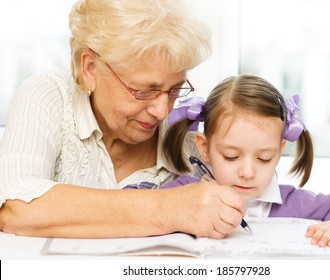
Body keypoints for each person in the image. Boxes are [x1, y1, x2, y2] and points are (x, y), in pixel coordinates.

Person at [0, 0, 247, 239]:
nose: (162, 112)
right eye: (144, 90)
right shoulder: (48, 97)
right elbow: (15, 208)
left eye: (174, 89)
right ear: (90, 68)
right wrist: (169, 208)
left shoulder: (188, 141)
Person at [134, 74, 330, 247]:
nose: (247, 172)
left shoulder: (295, 204)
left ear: (279, 151)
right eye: (231, 156)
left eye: (264, 158)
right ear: (204, 148)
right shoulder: (182, 193)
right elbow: (127, 205)